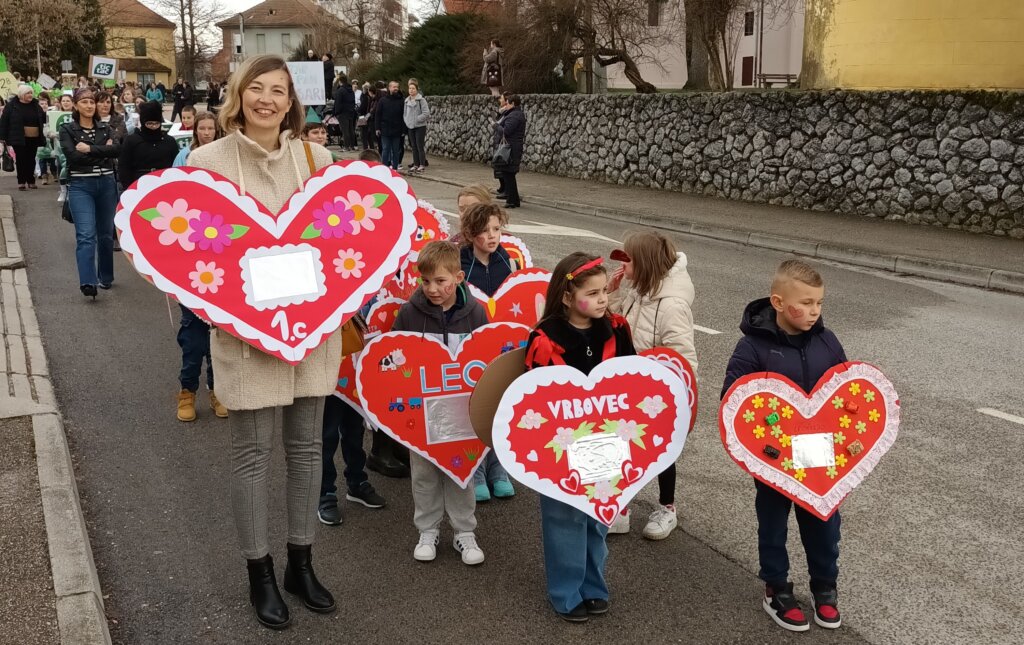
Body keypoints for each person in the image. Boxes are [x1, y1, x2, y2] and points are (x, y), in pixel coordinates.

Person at [186, 54, 337, 631]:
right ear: (238, 94)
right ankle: (261, 573)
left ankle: (302, 562)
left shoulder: (315, 158)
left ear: (291, 101)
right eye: (257, 88)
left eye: (278, 90)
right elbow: (191, 255)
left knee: (306, 450)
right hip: (246, 336)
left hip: (311, 332)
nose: (267, 100)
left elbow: (337, 245)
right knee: (251, 457)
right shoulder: (207, 163)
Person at [721, 259, 846, 633]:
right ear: (777, 301)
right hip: (773, 459)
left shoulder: (827, 341)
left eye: (819, 303)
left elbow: (843, 391)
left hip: (820, 456)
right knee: (773, 524)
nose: (814, 311)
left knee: (824, 523)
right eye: (805, 303)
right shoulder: (752, 348)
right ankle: (777, 587)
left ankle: (825, 587)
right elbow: (734, 399)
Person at [525, 252, 636, 622]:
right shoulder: (545, 340)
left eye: (605, 290)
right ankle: (565, 590)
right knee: (564, 517)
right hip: (562, 446)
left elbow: (630, 381)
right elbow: (535, 398)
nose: (603, 298)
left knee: (597, 515)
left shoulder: (616, 329)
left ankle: (593, 585)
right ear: (568, 298)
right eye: (593, 292)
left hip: (606, 442)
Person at [391, 241, 487, 566]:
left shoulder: (475, 313)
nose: (433, 289)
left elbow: (487, 359)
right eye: (426, 281)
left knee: (462, 472)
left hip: (461, 411)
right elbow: (392, 357)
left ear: (459, 277)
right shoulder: (409, 312)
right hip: (420, 412)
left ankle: (464, 532)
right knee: (423, 473)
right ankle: (427, 529)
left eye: (441, 281)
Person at [607, 231, 697, 539]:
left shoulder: (671, 305)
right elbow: (619, 324)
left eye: (628, 259)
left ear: (644, 264)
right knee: (622, 445)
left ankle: (666, 508)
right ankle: (620, 509)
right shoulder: (637, 290)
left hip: (657, 392)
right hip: (630, 383)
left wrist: (680, 398)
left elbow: (683, 357)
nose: (622, 262)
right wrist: (614, 293)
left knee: (662, 451)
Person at [168, 111, 227, 422]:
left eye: (210, 128)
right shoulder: (184, 160)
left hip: (221, 271)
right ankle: (186, 391)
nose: (206, 132)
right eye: (201, 128)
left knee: (219, 337)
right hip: (191, 273)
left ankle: (217, 390)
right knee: (193, 340)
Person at [459, 203, 518, 502]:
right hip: (471, 347)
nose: (492, 236)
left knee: (500, 405)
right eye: (484, 231)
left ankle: (499, 468)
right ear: (470, 234)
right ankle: (477, 469)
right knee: (475, 404)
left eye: (496, 229)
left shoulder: (507, 263)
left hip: (502, 348)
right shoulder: (461, 265)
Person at [317, 313, 387, 527]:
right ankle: (325, 493)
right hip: (326, 359)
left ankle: (357, 481)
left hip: (355, 358)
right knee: (327, 435)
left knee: (354, 429)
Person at [59, 88, 120, 298]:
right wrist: (103, 151)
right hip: (80, 185)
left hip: (107, 184)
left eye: (91, 102)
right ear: (75, 105)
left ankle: (106, 277)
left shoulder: (106, 127)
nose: (89, 105)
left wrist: (91, 149)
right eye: (84, 101)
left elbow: (117, 151)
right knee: (86, 235)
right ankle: (88, 281)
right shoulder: (67, 129)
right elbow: (73, 157)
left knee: (105, 235)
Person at [118, 100, 177, 190]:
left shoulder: (169, 141)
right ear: (143, 122)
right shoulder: (131, 141)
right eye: (149, 124)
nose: (153, 127)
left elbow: (175, 166)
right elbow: (124, 167)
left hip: (165, 185)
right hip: (139, 186)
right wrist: (130, 188)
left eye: (156, 124)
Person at [0, 85, 47, 190]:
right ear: (21, 94)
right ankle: (21, 181)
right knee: (21, 159)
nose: (30, 95)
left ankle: (31, 180)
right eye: (27, 93)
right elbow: (4, 121)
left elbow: (43, 119)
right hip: (18, 136)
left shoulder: (36, 105)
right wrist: (2, 136)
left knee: (31, 159)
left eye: (31, 93)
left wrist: (46, 112)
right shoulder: (12, 105)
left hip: (33, 136)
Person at [492, 92, 525, 209]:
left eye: (508, 103)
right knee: (508, 174)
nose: (506, 105)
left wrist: (496, 126)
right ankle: (514, 199)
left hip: (511, 148)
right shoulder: (513, 114)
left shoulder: (515, 116)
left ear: (513, 103)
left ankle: (512, 200)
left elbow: (506, 131)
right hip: (513, 147)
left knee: (508, 174)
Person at [375, 81, 404, 171]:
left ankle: (394, 168)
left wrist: (403, 130)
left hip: (397, 129)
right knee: (386, 149)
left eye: (397, 87)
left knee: (396, 150)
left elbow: (404, 115)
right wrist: (377, 128)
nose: (395, 88)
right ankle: (384, 168)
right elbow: (378, 115)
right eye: (394, 87)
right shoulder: (383, 100)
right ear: (389, 88)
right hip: (385, 129)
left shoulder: (401, 100)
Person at [404, 79, 429, 173]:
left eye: (413, 88)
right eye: (410, 88)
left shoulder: (421, 100)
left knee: (419, 145)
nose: (411, 90)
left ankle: (422, 164)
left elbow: (426, 113)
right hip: (410, 126)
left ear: (417, 89)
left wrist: (417, 119)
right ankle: (415, 164)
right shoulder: (406, 101)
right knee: (413, 146)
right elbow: (405, 114)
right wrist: (407, 121)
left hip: (420, 126)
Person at [331, 74, 356, 151]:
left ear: (340, 81)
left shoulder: (340, 90)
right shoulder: (351, 90)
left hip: (342, 113)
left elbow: (338, 102)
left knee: (345, 131)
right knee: (351, 130)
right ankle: (352, 146)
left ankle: (346, 147)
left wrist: (336, 112)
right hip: (350, 112)